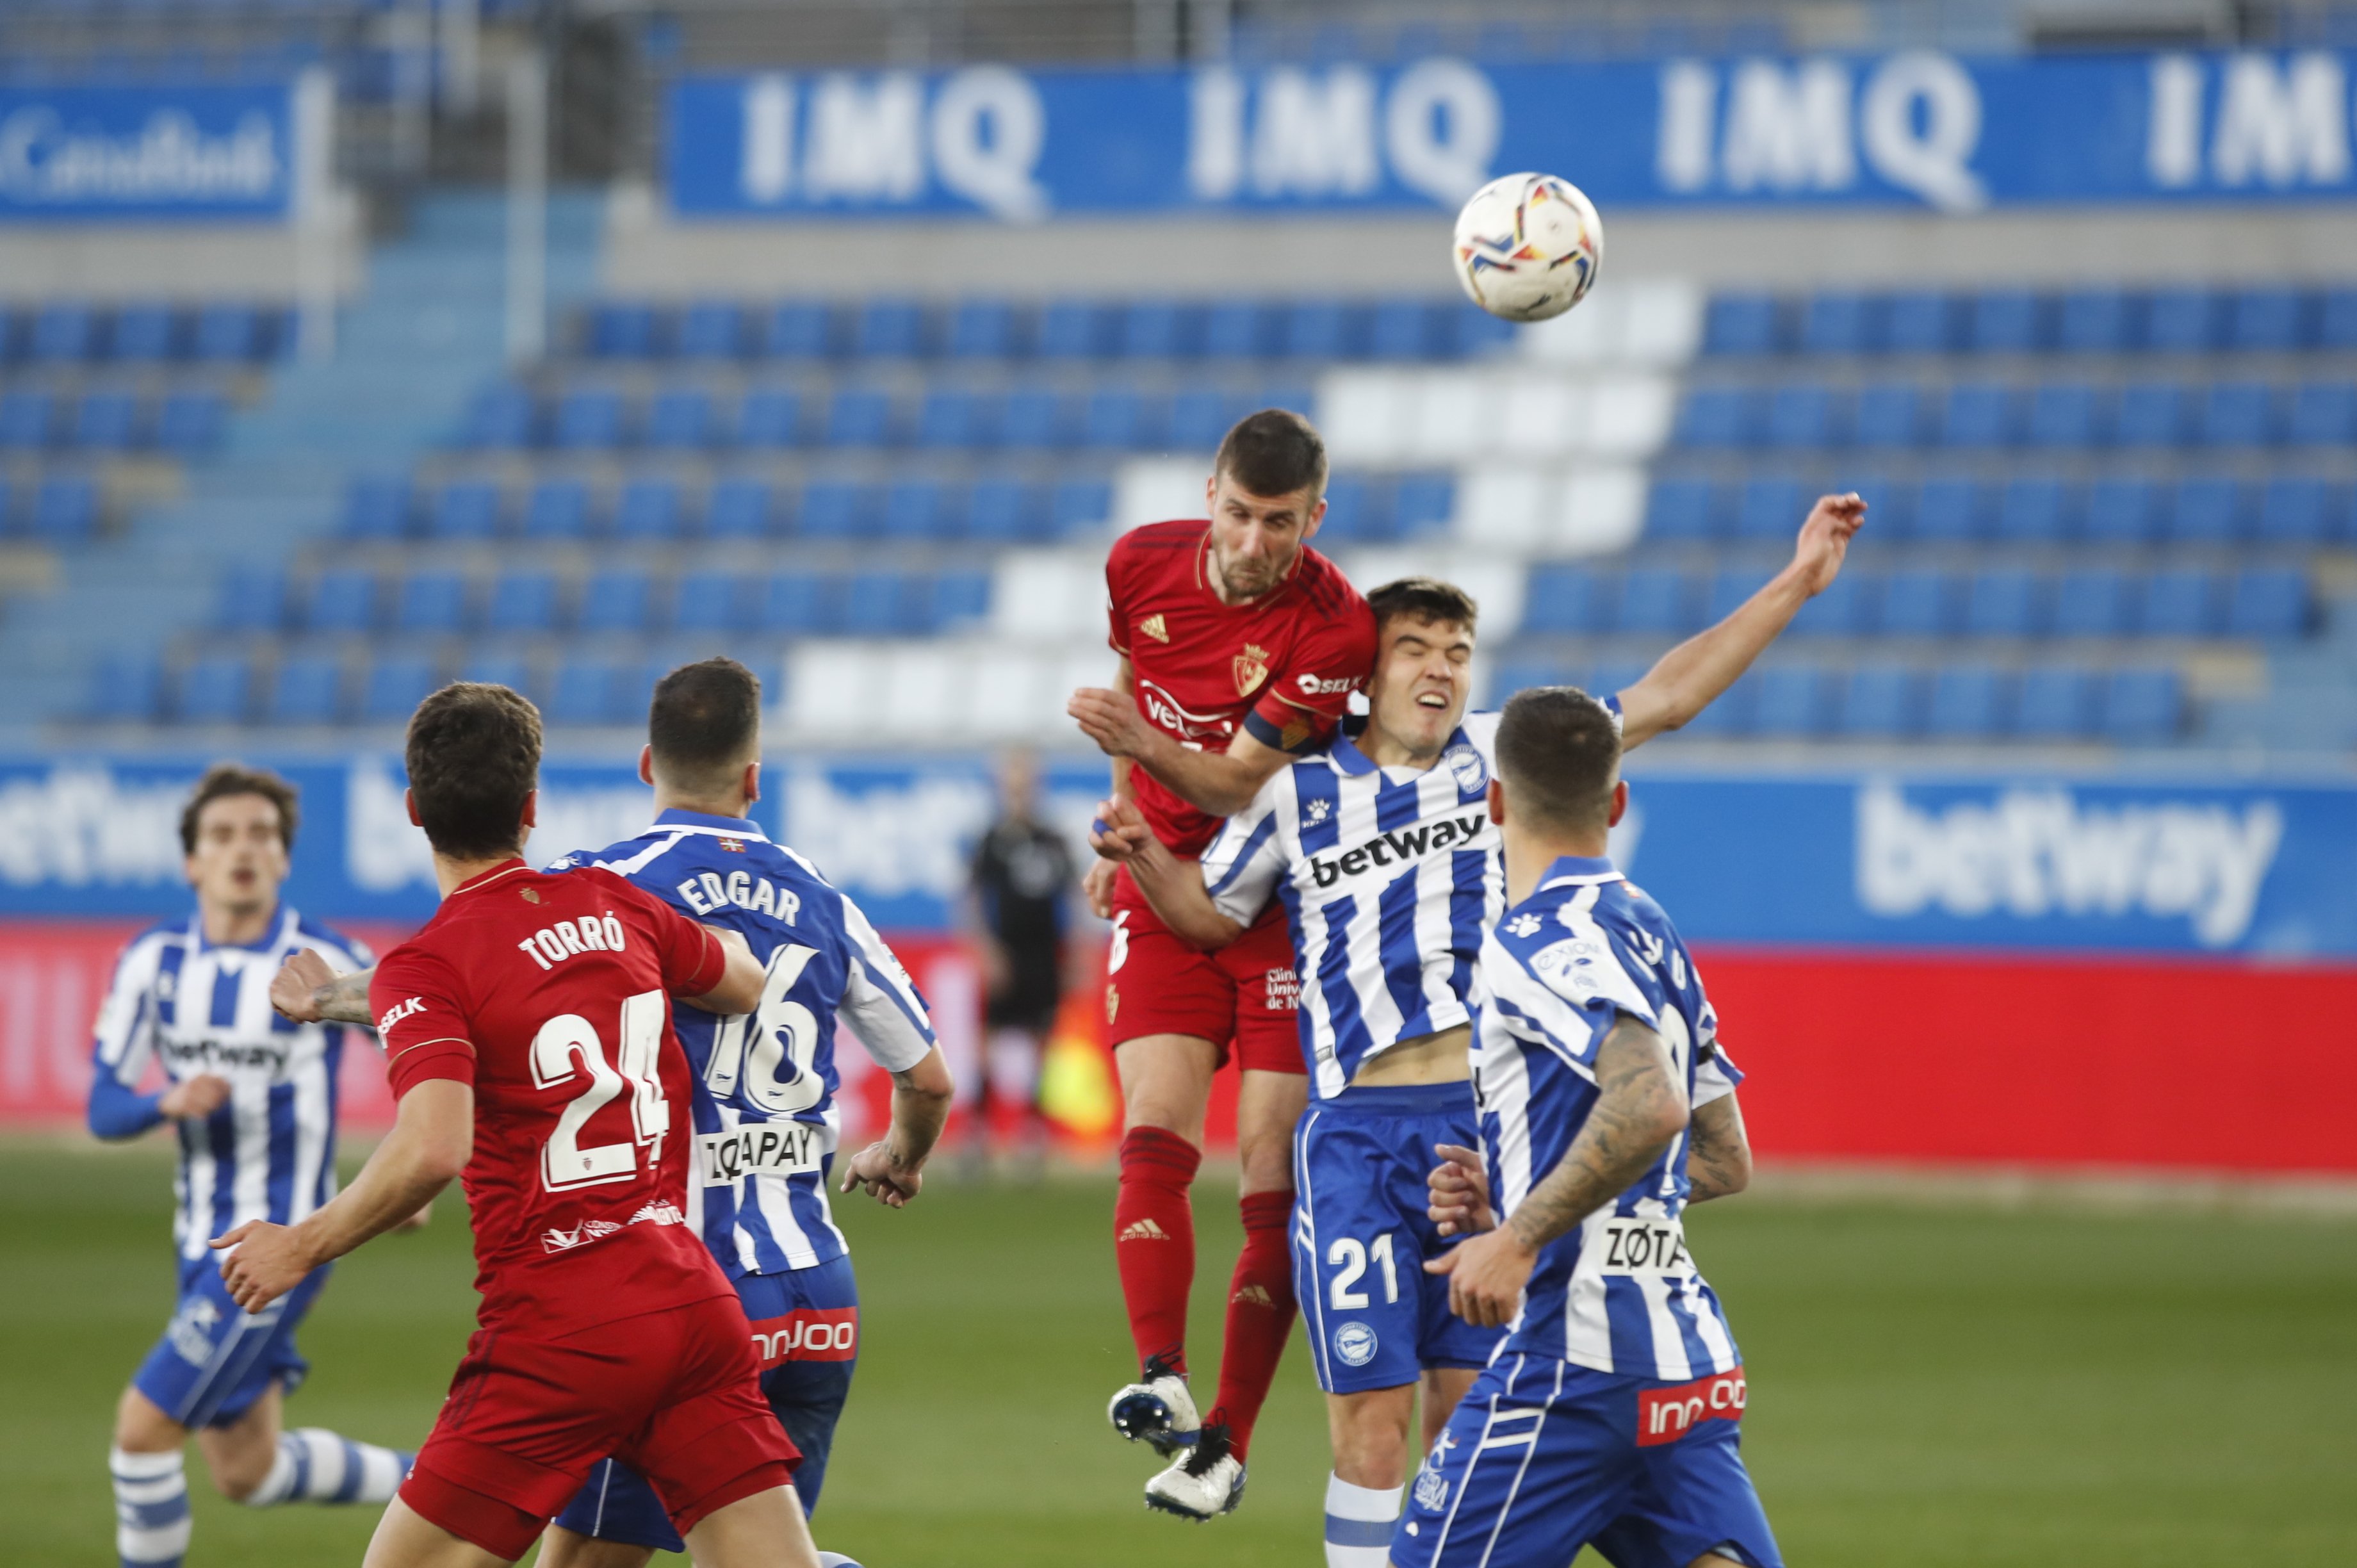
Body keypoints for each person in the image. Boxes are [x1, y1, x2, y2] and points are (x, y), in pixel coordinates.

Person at [1088, 498, 1864, 1548]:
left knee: (1468, 1420)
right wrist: (1136, 849)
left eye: (1458, 650)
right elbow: (1207, 915)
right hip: (1356, 1132)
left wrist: (1797, 580)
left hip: (1479, 1135)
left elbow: (1668, 695)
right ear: (1367, 672)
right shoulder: (1295, 791)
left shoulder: (1504, 752)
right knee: (1368, 1428)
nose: (1441, 670)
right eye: (1415, 648)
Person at [229, 682, 819, 1568]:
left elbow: (433, 1145)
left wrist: (300, 1245)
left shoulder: (430, 966)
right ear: (532, 808)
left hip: (563, 1325)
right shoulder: (612, 904)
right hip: (692, 1302)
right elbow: (739, 979)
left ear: (414, 811)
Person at [535, 658, 953, 1567]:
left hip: (687, 1292)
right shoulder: (820, 896)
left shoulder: (601, 885)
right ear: (755, 779)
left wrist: (339, 999)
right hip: (816, 1298)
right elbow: (928, 1080)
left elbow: (473, 979)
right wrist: (899, 1155)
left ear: (648, 764)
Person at [1064, 407, 1380, 1517]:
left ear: (1315, 518)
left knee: (1267, 1167)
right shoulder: (1137, 560)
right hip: (1161, 889)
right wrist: (1120, 824)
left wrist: (1136, 750)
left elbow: (1237, 782)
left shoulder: (1336, 628)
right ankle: (1163, 1378)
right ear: (1211, 495)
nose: (1255, 543)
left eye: (1280, 523)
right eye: (1240, 515)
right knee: (1152, 1124)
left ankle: (1229, 1444)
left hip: (1285, 903)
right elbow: (1135, 671)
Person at [1398, 685, 1777, 1568]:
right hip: (1687, 1369)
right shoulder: (1652, 929)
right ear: (1616, 801)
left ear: (1494, 801)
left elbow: (1650, 1106)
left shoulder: (1532, 938)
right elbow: (1722, 1158)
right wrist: (1529, 1189)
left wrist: (1517, 1237)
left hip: (1574, 1370)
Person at [88, 764, 414, 1568]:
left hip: (277, 1244)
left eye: (262, 835)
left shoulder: (330, 964)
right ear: (193, 861)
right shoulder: (152, 961)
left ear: (284, 857)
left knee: (141, 1435)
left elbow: (421, 1057)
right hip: (196, 1239)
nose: (245, 849)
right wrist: (162, 1104)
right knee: (247, 1470)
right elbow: (102, 1107)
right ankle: (440, 1486)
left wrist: (410, 1170)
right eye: (224, 835)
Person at [965, 746, 1077, 1163]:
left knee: (1041, 1041)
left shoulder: (1052, 840)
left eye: (1024, 785)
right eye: (1011, 786)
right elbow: (972, 900)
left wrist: (1078, 956)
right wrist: (987, 952)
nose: (1018, 794)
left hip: (1045, 952)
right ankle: (978, 1129)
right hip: (1006, 951)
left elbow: (1072, 898)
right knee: (987, 1040)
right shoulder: (991, 841)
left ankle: (1033, 1128)